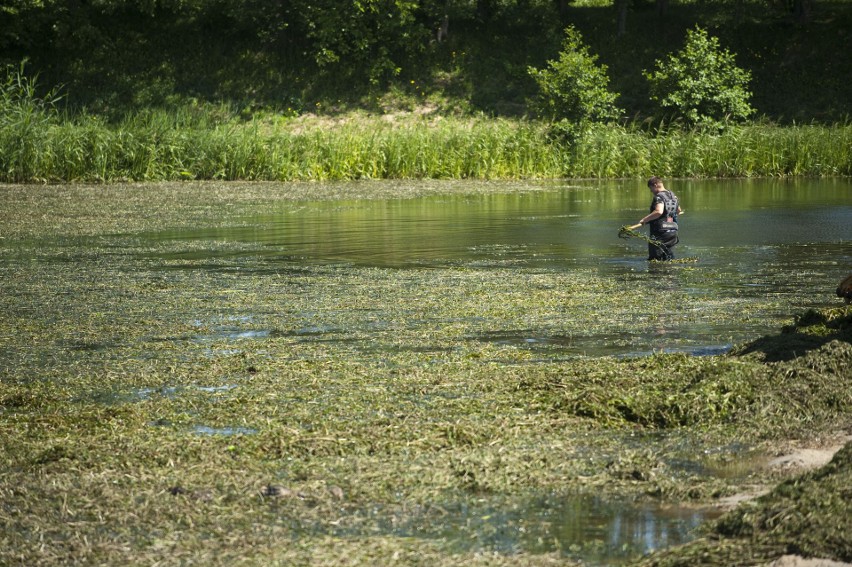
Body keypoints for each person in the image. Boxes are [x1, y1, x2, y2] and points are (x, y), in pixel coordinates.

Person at [625, 176, 684, 261]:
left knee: (655, 260)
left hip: (660, 234)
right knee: (668, 259)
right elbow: (678, 211)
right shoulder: (672, 195)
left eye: (651, 188)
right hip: (672, 233)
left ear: (655, 185)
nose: (651, 191)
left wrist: (644, 220)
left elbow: (658, 212)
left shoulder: (659, 197)